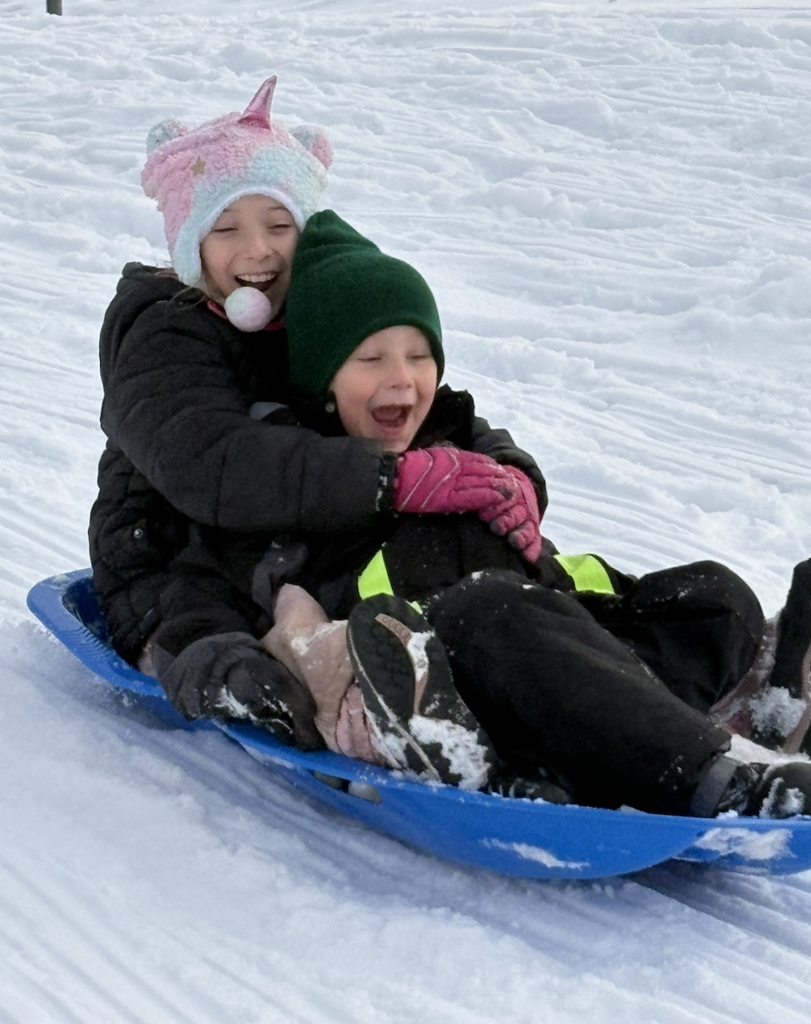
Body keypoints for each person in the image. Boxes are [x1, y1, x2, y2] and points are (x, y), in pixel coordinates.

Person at [214, 208, 811, 821]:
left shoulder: (462, 443)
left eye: (420, 356)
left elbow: (546, 565)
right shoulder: (307, 478)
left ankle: (665, 737)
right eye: (371, 360)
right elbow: (281, 610)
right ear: (324, 382)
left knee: (715, 592)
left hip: (553, 637)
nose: (403, 379)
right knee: (492, 606)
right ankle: (714, 781)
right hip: (452, 676)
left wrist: (618, 596)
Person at [88, 77, 549, 751]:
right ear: (190, 241)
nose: (259, 251)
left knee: (407, 570)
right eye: (227, 229)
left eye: (279, 226)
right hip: (171, 550)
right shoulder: (161, 333)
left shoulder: (308, 312)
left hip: (280, 544)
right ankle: (248, 686)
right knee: (211, 626)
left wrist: (503, 474)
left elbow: (424, 405)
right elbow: (211, 463)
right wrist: (392, 478)